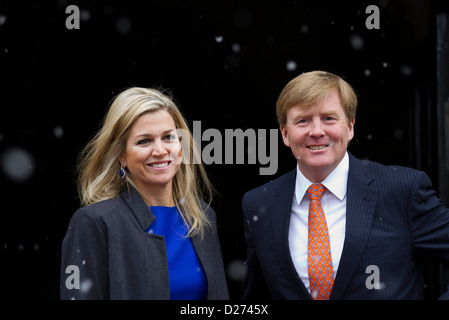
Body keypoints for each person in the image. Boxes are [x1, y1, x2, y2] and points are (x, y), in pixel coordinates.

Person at [241, 70, 449, 299]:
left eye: (329, 118)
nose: (317, 131)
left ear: (350, 126)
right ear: (285, 134)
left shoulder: (402, 189)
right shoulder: (259, 203)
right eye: (303, 121)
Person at [60, 87, 229, 300]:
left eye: (168, 137)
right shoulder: (94, 223)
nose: (160, 150)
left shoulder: (202, 217)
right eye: (144, 141)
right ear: (121, 155)